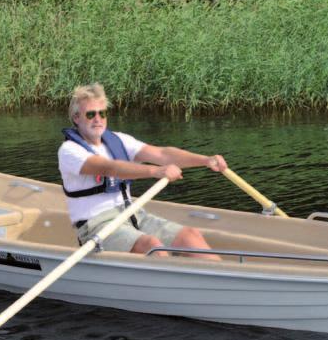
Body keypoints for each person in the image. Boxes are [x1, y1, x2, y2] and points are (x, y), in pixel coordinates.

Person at [58, 83, 227, 259]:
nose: (98, 119)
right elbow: (110, 168)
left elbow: (162, 154)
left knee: (190, 236)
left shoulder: (119, 140)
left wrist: (205, 160)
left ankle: (224, 279)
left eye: (102, 113)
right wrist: (156, 172)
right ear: (76, 117)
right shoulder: (69, 151)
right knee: (153, 247)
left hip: (133, 214)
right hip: (98, 225)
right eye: (91, 114)